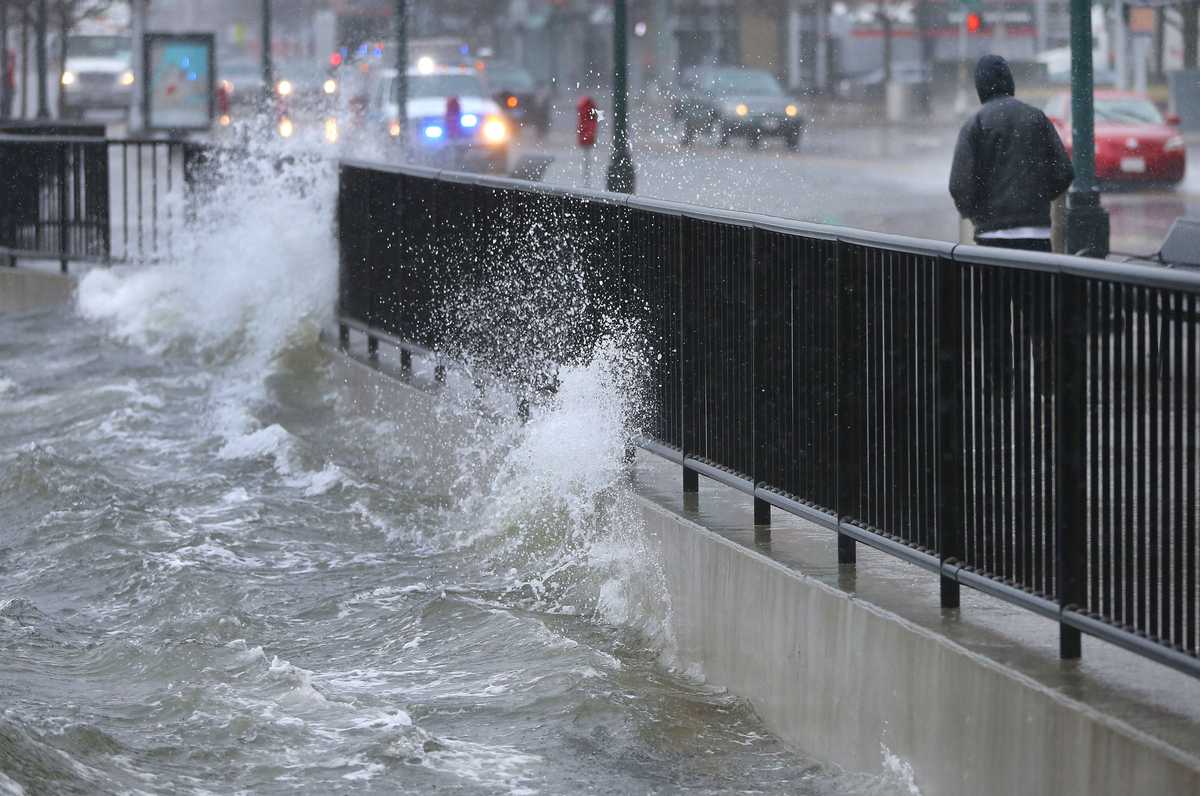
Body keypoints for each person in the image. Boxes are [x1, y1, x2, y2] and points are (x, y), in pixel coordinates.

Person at [949, 54, 1074, 253]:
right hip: (1037, 234)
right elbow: (1064, 172)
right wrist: (1038, 198)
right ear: (1009, 82)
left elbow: (959, 185)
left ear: (980, 86)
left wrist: (976, 213)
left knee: (998, 285)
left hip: (991, 235)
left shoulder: (975, 124)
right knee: (1033, 284)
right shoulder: (1036, 118)